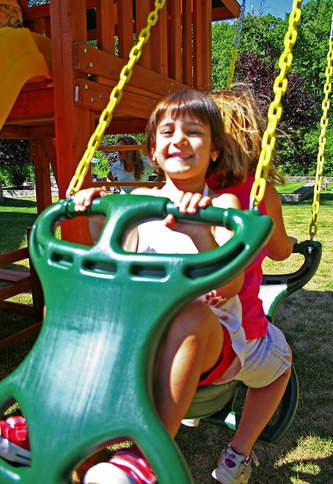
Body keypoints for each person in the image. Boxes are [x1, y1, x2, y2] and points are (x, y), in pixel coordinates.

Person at [0, 89, 246, 483]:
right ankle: (50, 427)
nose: (179, 139)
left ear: (214, 150)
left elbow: (232, 284)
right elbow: (118, 262)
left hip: (202, 340)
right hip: (134, 334)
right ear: (153, 150)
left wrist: (202, 233)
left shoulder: (223, 208)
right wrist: (93, 216)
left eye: (193, 132)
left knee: (189, 313)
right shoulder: (135, 201)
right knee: (73, 311)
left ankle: (145, 456)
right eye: (167, 131)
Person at [204, 87, 297, 483]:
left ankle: (188, 414)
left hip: (171, 342)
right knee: (281, 366)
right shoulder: (262, 195)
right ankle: (237, 454)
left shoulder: (187, 192)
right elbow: (278, 251)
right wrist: (294, 243)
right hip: (234, 346)